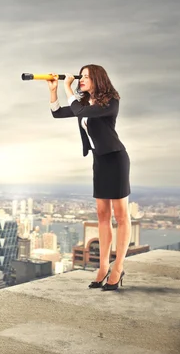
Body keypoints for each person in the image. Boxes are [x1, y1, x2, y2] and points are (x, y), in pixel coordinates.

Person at [47, 64, 131, 291]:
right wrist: (54, 89)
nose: (81, 79)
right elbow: (57, 113)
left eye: (85, 77)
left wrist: (68, 87)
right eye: (80, 76)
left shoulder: (111, 101)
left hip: (115, 159)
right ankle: (103, 266)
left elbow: (81, 111)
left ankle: (119, 266)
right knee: (102, 215)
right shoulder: (83, 102)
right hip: (99, 161)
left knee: (121, 216)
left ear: (97, 79)